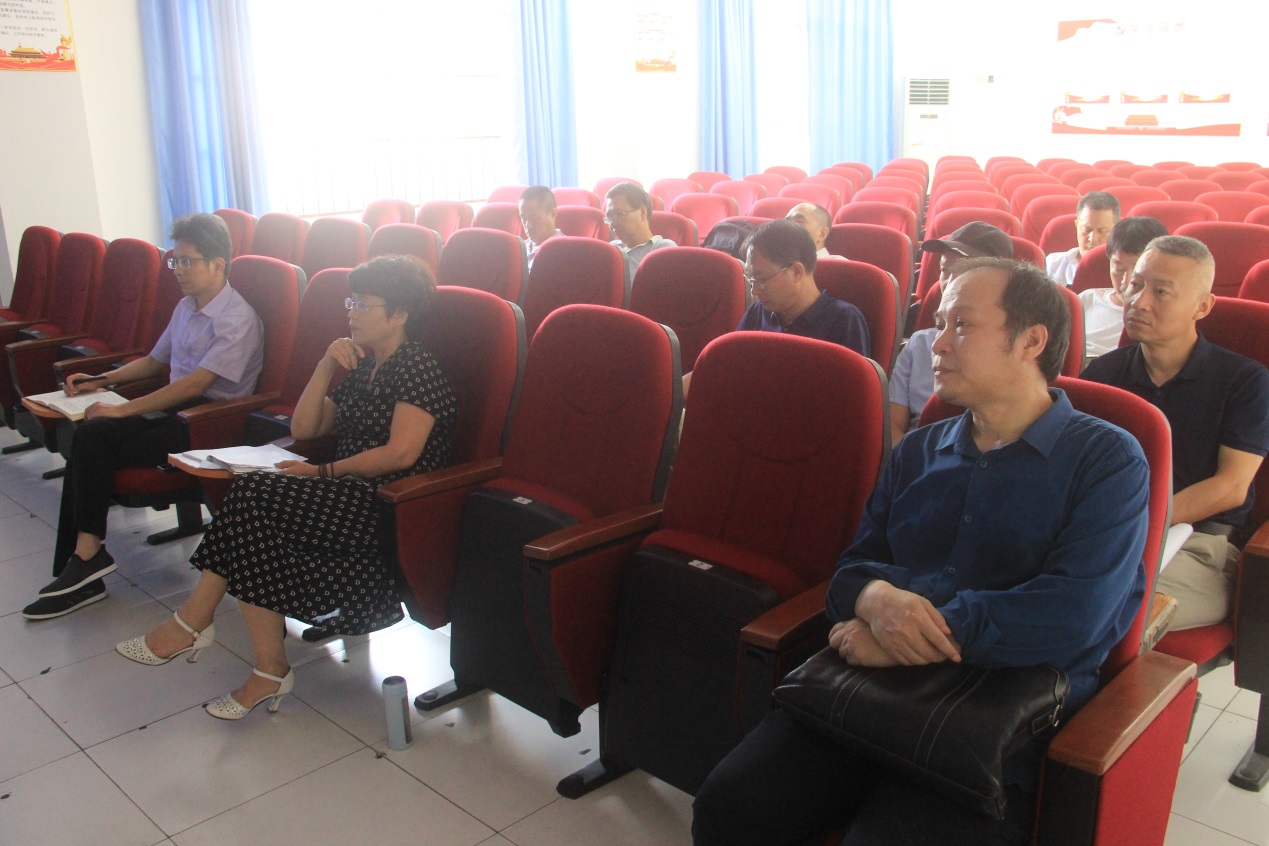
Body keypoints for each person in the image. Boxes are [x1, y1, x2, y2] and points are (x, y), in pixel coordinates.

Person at [693, 258, 1149, 846]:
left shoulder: (1107, 460)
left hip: (996, 720)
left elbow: (1074, 615)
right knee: (729, 804)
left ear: (1031, 341)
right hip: (869, 698)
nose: (936, 342)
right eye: (939, 322)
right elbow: (851, 569)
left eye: (962, 324)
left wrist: (905, 634)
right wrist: (875, 598)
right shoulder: (919, 450)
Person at [115, 254, 458, 720]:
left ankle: (203, 628)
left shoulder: (417, 367)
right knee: (251, 516)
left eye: (363, 303)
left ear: (398, 314)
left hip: (386, 504)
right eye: (350, 301)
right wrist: (325, 364)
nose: (351, 312)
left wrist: (320, 473)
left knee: (252, 497)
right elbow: (306, 427)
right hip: (346, 492)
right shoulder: (365, 366)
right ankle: (260, 663)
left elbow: (401, 455)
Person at [23, 213, 265, 620]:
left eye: (187, 261)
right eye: (175, 261)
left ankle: (85, 561)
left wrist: (122, 408)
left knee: (96, 438)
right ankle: (84, 557)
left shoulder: (237, 319)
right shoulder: (186, 307)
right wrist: (100, 380)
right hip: (173, 409)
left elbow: (195, 384)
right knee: (90, 434)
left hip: (206, 423)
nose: (178, 270)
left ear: (217, 264)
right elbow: (155, 361)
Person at [1083, 235, 1269, 630]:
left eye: (1161, 292)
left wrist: (1140, 521)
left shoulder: (1244, 381)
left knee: (1105, 608)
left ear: (1203, 306)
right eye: (1135, 285)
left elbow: (1232, 487)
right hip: (1105, 535)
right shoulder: (1102, 374)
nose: (1139, 301)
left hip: (1200, 545)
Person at [889, 221, 1013, 445]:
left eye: (965, 270)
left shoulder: (1012, 348)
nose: (951, 281)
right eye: (945, 270)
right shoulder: (920, 344)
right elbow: (893, 426)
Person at [1078, 216, 1168, 358]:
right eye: (1119, 268)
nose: (1126, 282)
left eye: (1138, 270)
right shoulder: (1086, 300)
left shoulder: (1163, 313)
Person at [1045, 191, 1120, 286]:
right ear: (1076, 225)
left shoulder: (1123, 271)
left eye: (1102, 231)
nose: (1092, 239)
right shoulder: (1053, 264)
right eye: (1086, 229)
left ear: (1115, 230)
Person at [605, 182, 675, 281]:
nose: (613, 224)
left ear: (643, 213)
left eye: (620, 214)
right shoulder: (612, 248)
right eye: (609, 217)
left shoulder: (663, 249)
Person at [519, 185, 562, 270]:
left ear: (553, 214)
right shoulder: (518, 248)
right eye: (524, 218)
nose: (528, 225)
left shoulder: (565, 249)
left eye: (534, 218)